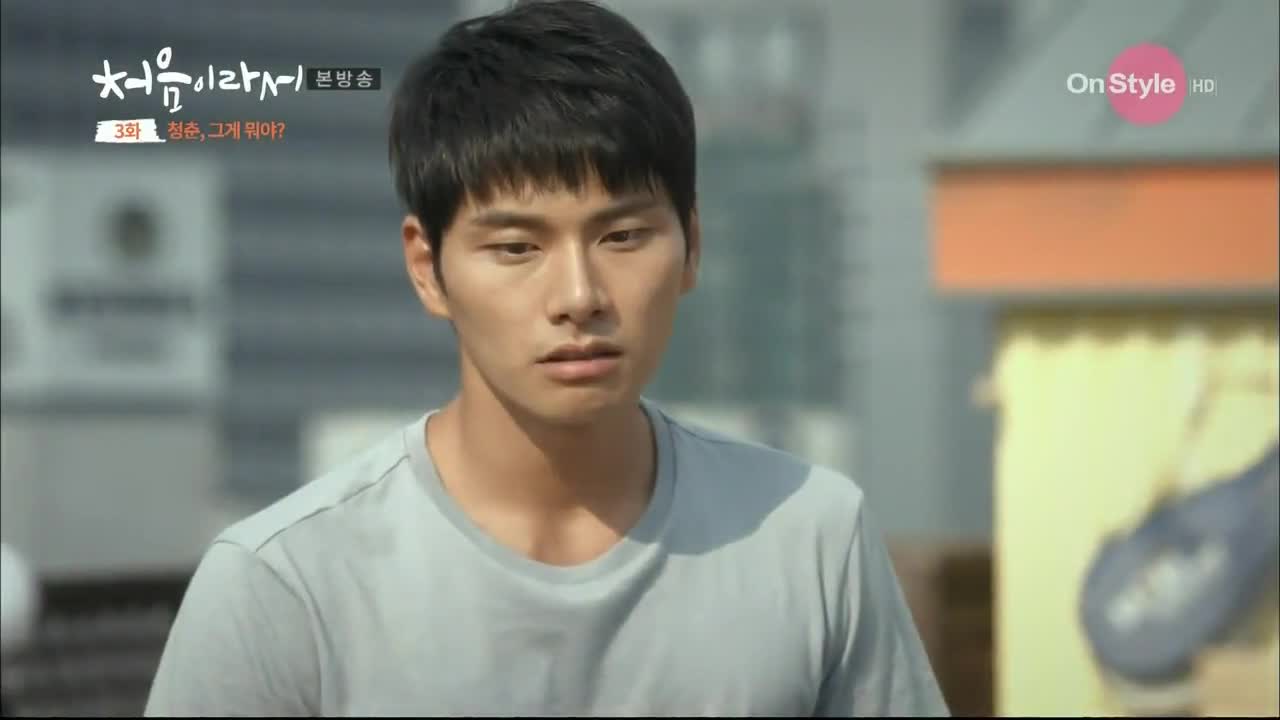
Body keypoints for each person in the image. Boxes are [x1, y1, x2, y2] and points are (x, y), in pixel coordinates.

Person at [145, 0, 949, 716]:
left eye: (623, 236)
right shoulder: (287, 583)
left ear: (693, 246)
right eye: (516, 247)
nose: (579, 295)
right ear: (427, 268)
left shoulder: (811, 538)